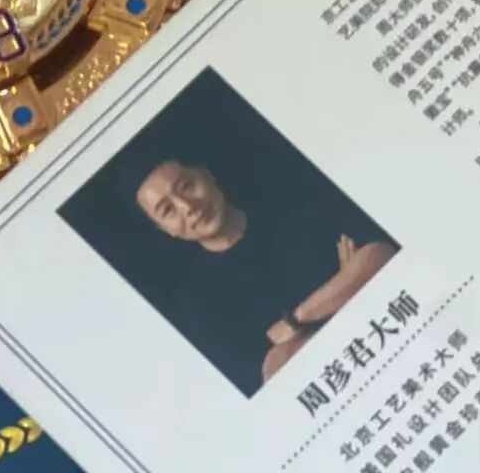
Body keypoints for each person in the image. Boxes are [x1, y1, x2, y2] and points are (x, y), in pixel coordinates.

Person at [135, 159, 396, 387]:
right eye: (167, 210)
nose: (187, 206)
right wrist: (346, 290)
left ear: (207, 175)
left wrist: (297, 321)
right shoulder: (196, 303)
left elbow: (382, 253)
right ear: (165, 230)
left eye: (186, 186)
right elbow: (275, 374)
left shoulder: (293, 199)